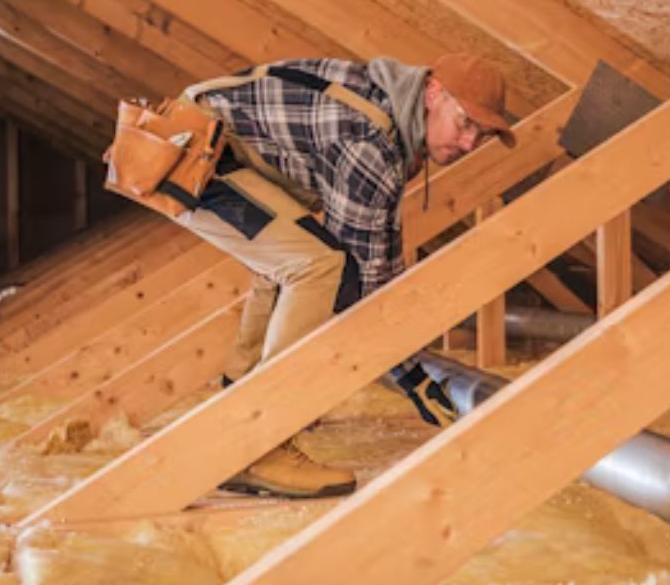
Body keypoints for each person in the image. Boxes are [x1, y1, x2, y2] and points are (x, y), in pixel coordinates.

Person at [172, 54, 515, 498]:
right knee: (319, 268)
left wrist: (411, 370)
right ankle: (259, 445)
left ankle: (235, 415)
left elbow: (382, 254)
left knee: (291, 265)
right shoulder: (368, 140)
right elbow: (363, 284)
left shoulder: (392, 119)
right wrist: (410, 377)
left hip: (202, 142)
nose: (469, 143)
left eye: (481, 134)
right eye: (464, 123)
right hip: (189, 150)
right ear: (433, 93)